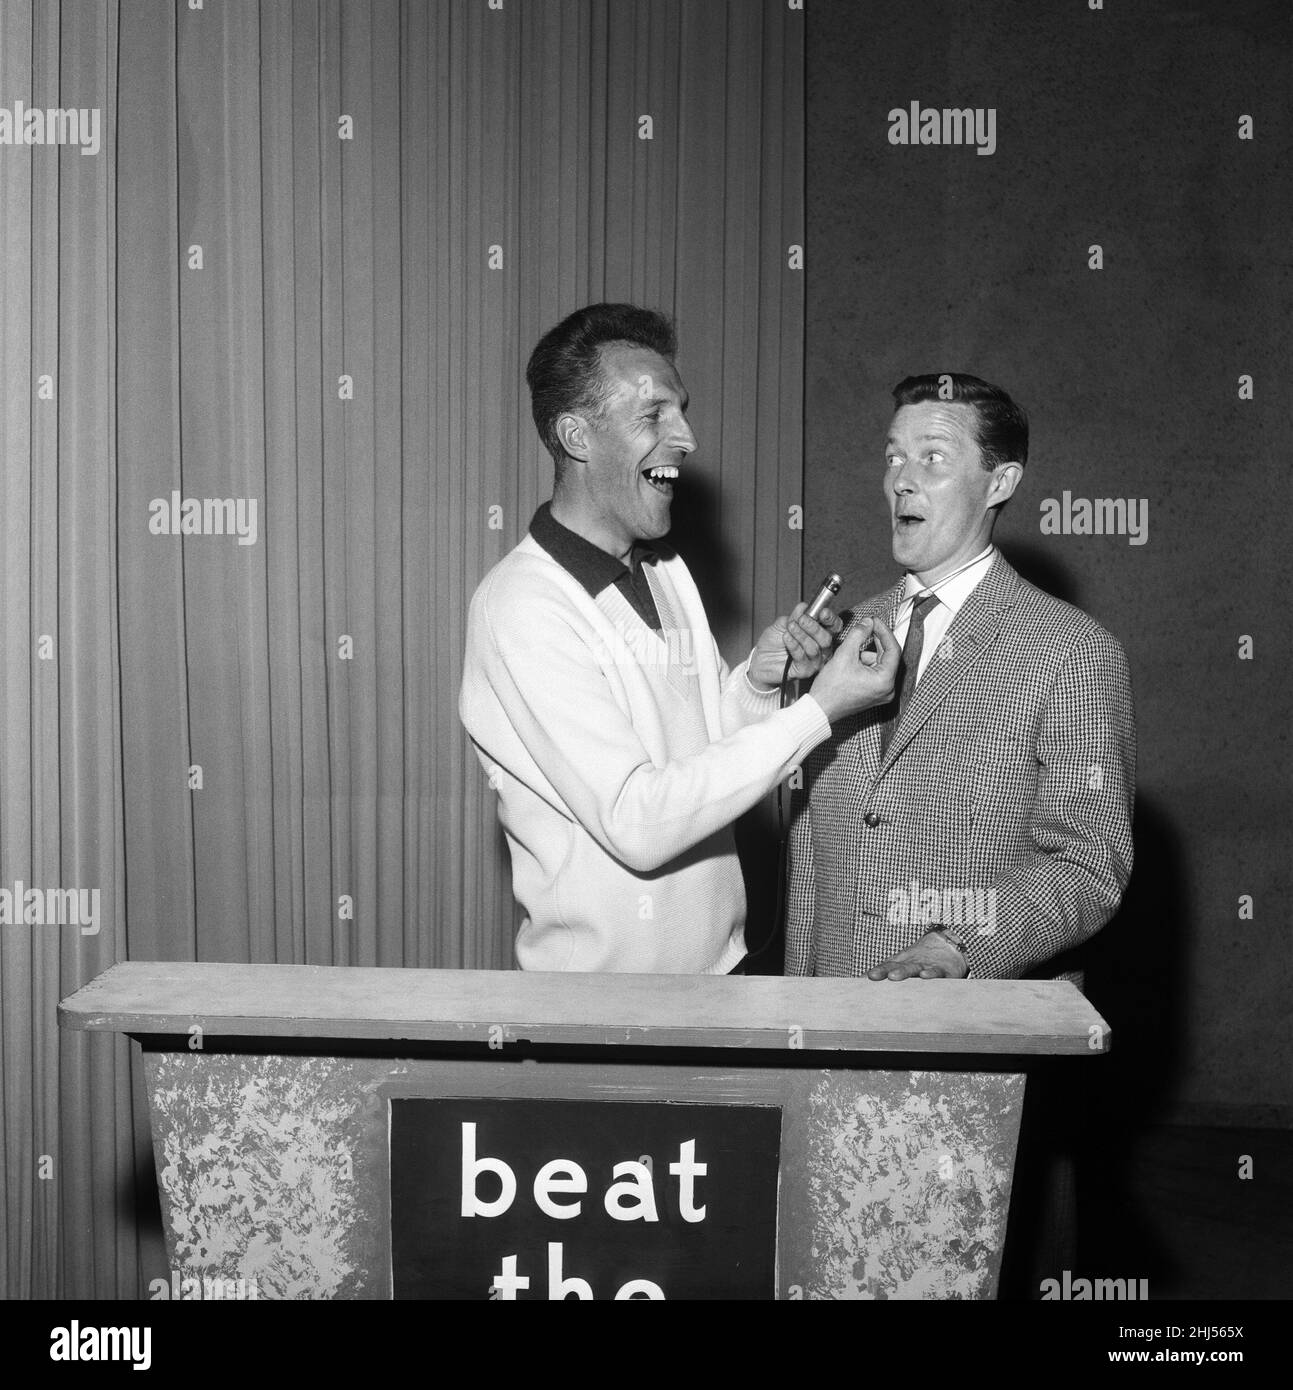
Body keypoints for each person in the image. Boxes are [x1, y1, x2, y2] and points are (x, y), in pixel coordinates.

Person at [460, 303, 899, 973]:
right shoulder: (522, 605)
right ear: (576, 436)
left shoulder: (665, 571)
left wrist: (756, 681)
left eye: (682, 411)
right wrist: (819, 710)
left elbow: (695, 754)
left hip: (719, 979)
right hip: (604, 1012)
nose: (687, 439)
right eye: (653, 416)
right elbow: (638, 822)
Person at [786, 372, 1136, 984]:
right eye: (893, 456)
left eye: (933, 458)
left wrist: (959, 945)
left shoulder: (1074, 651)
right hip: (822, 1008)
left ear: (1000, 482)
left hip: (966, 1022)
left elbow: (1089, 859)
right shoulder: (840, 635)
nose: (902, 480)